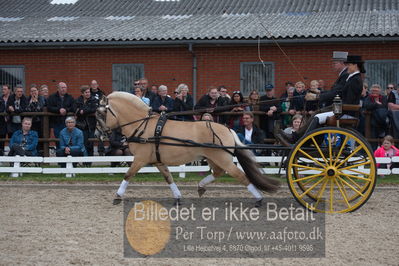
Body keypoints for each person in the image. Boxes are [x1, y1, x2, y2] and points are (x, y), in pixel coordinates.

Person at [277, 54, 364, 145]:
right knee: (317, 114)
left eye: (349, 65)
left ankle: (301, 140)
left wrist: (318, 96)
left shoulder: (355, 80)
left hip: (344, 111)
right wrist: (318, 93)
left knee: (317, 117)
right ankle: (301, 137)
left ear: (355, 65)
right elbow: (339, 93)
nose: (347, 67)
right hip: (342, 109)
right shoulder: (352, 78)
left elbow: (346, 98)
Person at [75, 85, 97, 159]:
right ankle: (84, 160)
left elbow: (94, 109)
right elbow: (75, 109)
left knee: (90, 144)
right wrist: (80, 111)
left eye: (89, 92)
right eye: (86, 92)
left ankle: (90, 161)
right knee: (82, 143)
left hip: (91, 125)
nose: (88, 94)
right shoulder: (78, 100)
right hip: (81, 125)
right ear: (82, 93)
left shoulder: (93, 100)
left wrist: (83, 111)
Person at [25, 84, 46, 152]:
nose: (34, 92)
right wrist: (31, 103)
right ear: (30, 92)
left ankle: (41, 152)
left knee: (40, 137)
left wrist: (36, 102)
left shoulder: (41, 98)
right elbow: (27, 110)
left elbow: (41, 108)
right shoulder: (28, 99)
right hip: (31, 122)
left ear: (38, 91)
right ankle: (32, 152)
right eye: (32, 91)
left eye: (35, 90)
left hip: (40, 122)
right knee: (31, 137)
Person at [0, 84, 13, 155]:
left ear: (9, 90)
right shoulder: (0, 98)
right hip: (2, 121)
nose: (3, 90)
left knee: (11, 137)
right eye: (2, 89)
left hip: (11, 121)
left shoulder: (12, 98)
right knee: (1, 137)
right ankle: (1, 155)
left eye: (5, 89)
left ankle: (12, 154)